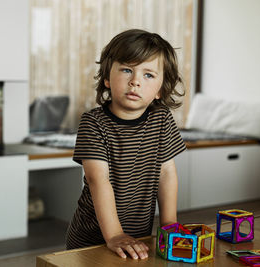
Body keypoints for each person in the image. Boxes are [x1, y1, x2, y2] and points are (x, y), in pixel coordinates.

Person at [65, 29, 186, 260]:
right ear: (108, 78)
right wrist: (114, 235)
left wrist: (169, 224)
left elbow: (167, 173)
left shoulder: (162, 119)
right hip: (92, 239)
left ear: (160, 89)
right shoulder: (93, 123)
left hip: (139, 237)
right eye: (127, 70)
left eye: (148, 75)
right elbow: (97, 179)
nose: (135, 81)